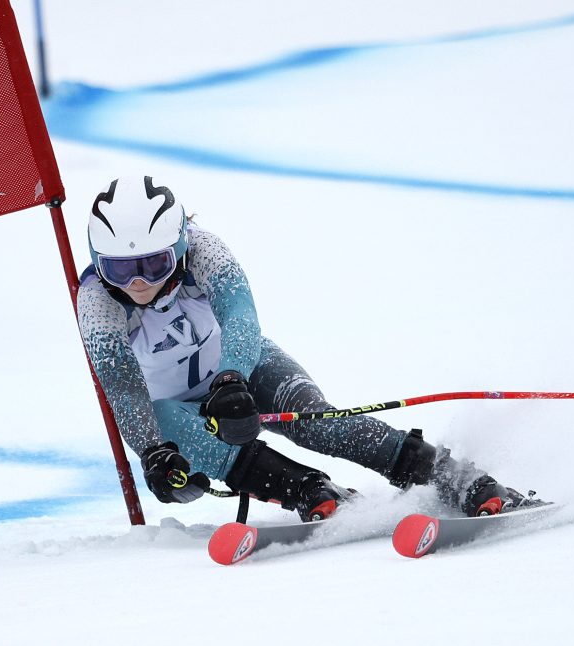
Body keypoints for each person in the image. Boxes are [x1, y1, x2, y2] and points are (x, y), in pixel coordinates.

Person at [78, 175, 523, 522]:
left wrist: (231, 379)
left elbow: (241, 318)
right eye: (120, 269)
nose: (140, 282)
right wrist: (154, 454)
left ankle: (456, 476)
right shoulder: (97, 303)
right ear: (99, 262)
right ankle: (308, 489)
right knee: (161, 417)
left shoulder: (205, 251)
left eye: (155, 263)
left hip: (245, 368)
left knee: (317, 424)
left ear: (179, 245)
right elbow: (123, 389)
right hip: (180, 412)